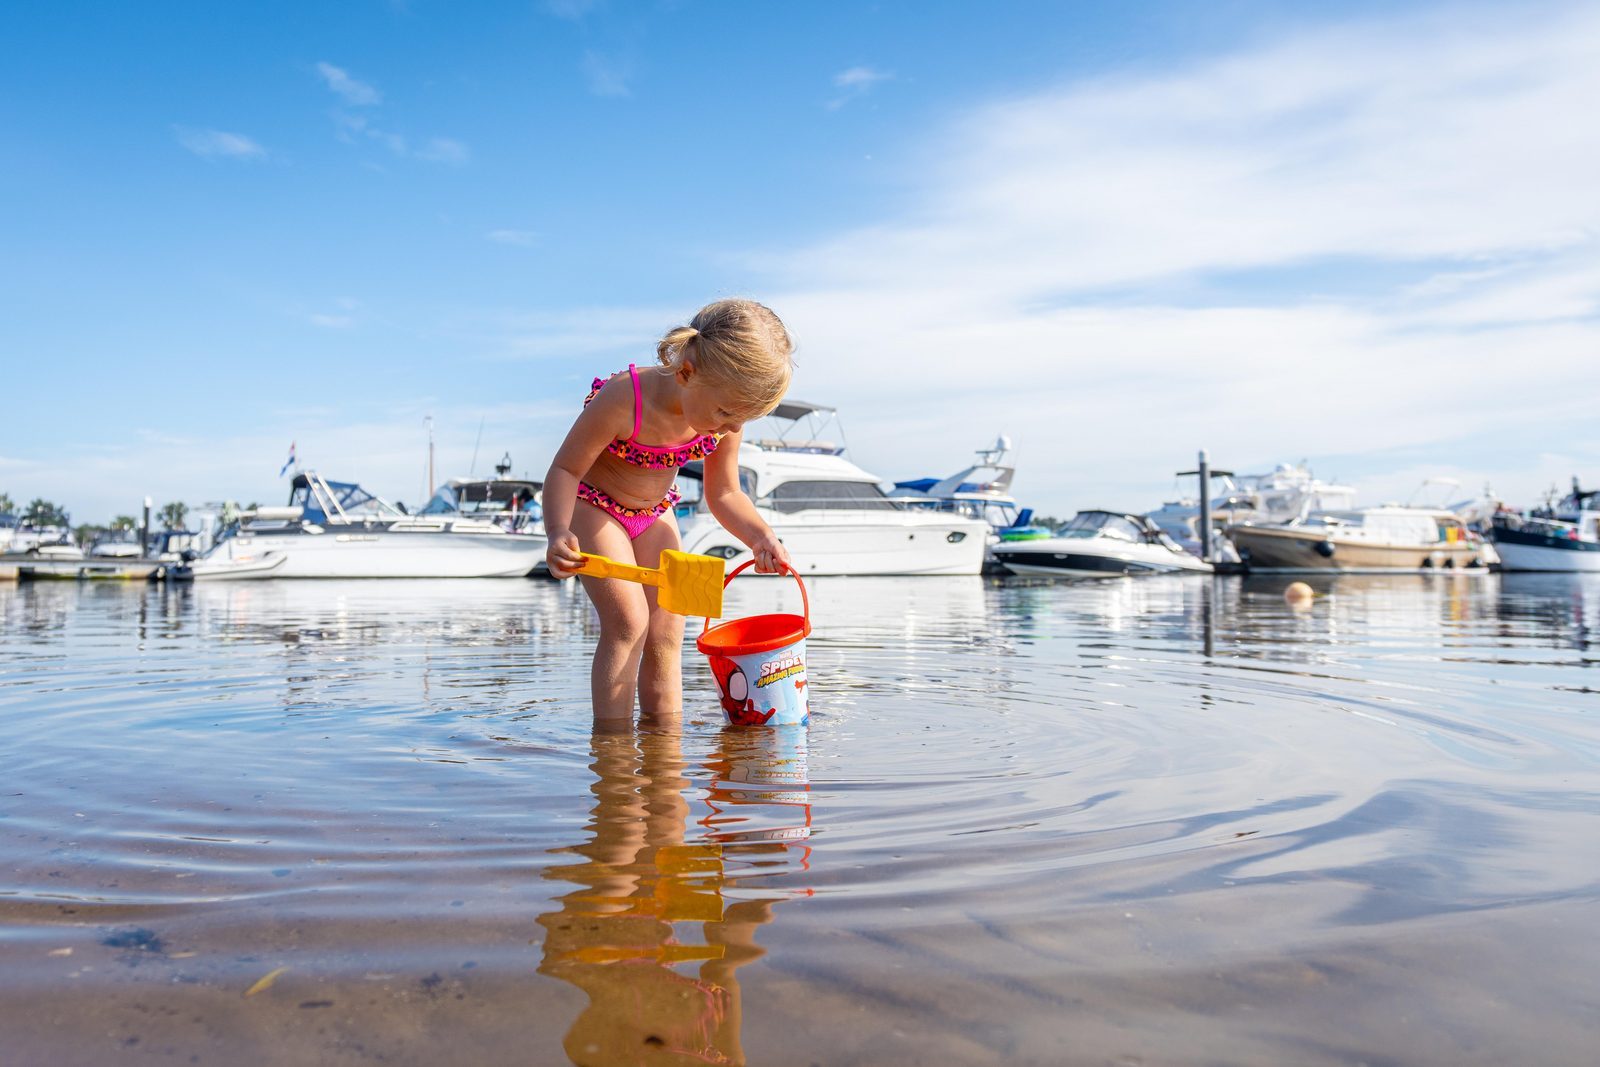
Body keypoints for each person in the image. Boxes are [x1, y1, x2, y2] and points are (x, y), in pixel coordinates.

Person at [543, 299, 795, 722]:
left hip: (655, 513)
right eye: (728, 413)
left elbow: (726, 494)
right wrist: (556, 531)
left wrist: (760, 537)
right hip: (596, 508)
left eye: (743, 419)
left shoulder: (724, 418)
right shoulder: (625, 397)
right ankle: (614, 751)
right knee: (628, 622)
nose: (733, 428)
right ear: (686, 373)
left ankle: (665, 749)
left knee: (667, 631)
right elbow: (566, 468)